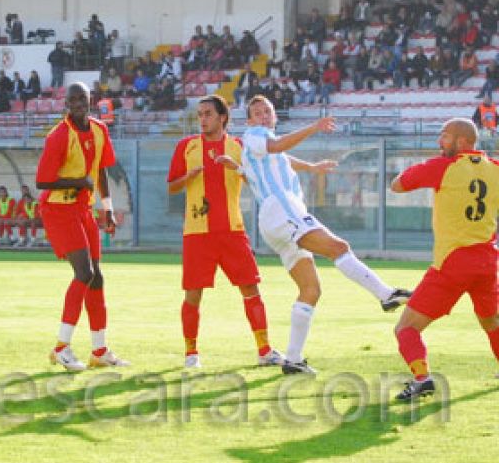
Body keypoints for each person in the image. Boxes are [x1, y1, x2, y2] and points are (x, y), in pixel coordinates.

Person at [238, 95, 412, 374]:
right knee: (339, 247)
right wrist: (314, 127)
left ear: (275, 115)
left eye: (267, 111)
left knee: (311, 289)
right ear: (249, 121)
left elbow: (281, 157)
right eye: (257, 113)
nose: (263, 116)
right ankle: (386, 294)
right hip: (283, 209)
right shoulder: (257, 135)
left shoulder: (257, 148)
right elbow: (278, 146)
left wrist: (311, 167)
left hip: (274, 220)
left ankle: (293, 358)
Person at [167, 95, 284, 369]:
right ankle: (191, 354)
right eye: (200, 114)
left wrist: (238, 168)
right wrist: (189, 178)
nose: (203, 119)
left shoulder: (239, 147)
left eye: (208, 113)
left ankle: (265, 350)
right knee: (193, 294)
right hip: (197, 232)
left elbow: (257, 179)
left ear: (222, 117)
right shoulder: (186, 146)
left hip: (232, 230)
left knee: (250, 288)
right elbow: (172, 186)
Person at [389, 119, 499, 400]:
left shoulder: (442, 167)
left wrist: (428, 171)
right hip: (487, 260)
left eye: (445, 136)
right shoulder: (495, 169)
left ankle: (423, 378)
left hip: (453, 263)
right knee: (491, 321)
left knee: (405, 328)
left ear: (462, 141)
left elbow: (397, 186)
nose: (440, 142)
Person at [36, 82, 129, 371]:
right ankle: (62, 347)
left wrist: (108, 209)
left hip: (83, 208)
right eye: (73, 99)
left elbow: (100, 169)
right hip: (58, 209)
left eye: (83, 98)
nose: (78, 103)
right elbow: (42, 181)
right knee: (84, 273)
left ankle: (100, 351)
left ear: (91, 101)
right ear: (66, 104)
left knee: (97, 278)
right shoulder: (59, 136)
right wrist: (78, 182)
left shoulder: (100, 129)